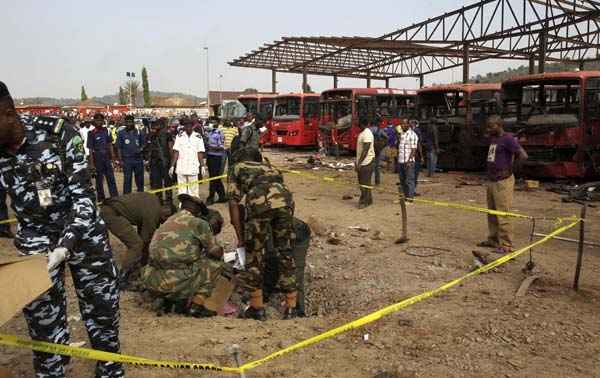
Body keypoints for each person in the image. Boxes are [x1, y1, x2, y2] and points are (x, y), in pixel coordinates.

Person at [0, 81, 123, 377]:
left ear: (6, 112)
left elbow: (83, 198)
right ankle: (52, 370)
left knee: (101, 309)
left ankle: (108, 369)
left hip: (83, 232)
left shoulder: (57, 133)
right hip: (35, 237)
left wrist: (65, 245)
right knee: (42, 320)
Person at [227, 146, 298, 320]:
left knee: (254, 255)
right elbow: (282, 192)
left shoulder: (237, 167)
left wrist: (241, 237)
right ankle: (291, 307)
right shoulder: (270, 167)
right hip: (286, 201)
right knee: (285, 252)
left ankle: (257, 308)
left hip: (259, 202)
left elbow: (233, 203)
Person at [140, 194, 230, 318]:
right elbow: (215, 252)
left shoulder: (169, 220)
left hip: (151, 279)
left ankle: (169, 300)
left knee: (183, 261)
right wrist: (219, 246)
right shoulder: (198, 223)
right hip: (174, 281)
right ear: (198, 211)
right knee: (214, 264)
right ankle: (196, 306)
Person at [479, 115, 527, 254]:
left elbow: (523, 155)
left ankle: (507, 244)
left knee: (503, 213)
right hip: (492, 180)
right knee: (492, 212)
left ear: (499, 125)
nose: (488, 129)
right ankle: (493, 239)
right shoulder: (494, 139)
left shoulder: (508, 139)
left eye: (490, 126)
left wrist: (510, 170)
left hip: (502, 181)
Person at [100, 192, 171, 285]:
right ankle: (123, 277)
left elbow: (142, 230)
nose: (162, 223)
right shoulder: (154, 213)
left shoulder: (154, 200)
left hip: (110, 208)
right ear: (165, 215)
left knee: (138, 243)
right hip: (112, 214)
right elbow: (146, 240)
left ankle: (135, 267)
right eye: (165, 220)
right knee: (136, 245)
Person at [263, 217, 311, 317]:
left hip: (299, 235)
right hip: (286, 234)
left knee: (296, 272)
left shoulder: (264, 226)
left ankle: (298, 312)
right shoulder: (259, 225)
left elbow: (273, 260)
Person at [170, 118, 205, 197]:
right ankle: (183, 205)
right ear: (184, 127)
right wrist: (172, 165)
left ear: (193, 126)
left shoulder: (198, 137)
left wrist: (202, 165)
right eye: (186, 126)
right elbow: (176, 152)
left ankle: (194, 206)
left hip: (193, 167)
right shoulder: (179, 136)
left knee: (194, 191)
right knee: (182, 190)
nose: (188, 128)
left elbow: (200, 152)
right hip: (181, 167)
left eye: (189, 126)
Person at [88, 113, 119, 201]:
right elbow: (90, 150)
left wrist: (113, 158)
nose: (99, 122)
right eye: (97, 120)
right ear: (94, 121)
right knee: (99, 181)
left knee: (111, 178)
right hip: (97, 159)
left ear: (103, 121)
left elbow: (110, 145)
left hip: (107, 158)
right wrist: (92, 164)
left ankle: (115, 198)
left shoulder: (106, 131)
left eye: (101, 120)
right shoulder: (91, 133)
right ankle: (101, 200)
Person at [145, 119, 174, 207]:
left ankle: (169, 201)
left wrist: (172, 164)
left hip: (165, 163)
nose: (154, 127)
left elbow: (171, 149)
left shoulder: (168, 135)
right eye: (153, 126)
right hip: (154, 163)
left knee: (167, 183)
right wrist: (147, 161)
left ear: (161, 126)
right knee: (157, 183)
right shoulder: (151, 136)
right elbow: (148, 149)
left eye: (156, 125)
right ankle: (159, 201)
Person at [117, 115, 145, 194]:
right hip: (127, 160)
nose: (129, 124)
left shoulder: (139, 132)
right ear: (125, 123)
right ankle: (126, 196)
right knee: (127, 179)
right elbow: (119, 147)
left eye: (130, 122)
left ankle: (141, 194)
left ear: (133, 122)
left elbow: (143, 144)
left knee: (139, 179)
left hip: (138, 159)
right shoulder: (121, 133)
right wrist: (120, 160)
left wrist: (140, 149)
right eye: (127, 122)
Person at [355, 119, 375, 209]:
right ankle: (368, 199)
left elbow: (365, 150)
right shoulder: (362, 133)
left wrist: (359, 163)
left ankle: (365, 201)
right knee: (363, 182)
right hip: (362, 161)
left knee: (364, 183)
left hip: (366, 161)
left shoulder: (367, 133)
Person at [206, 123, 227, 204]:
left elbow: (222, 147)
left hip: (217, 157)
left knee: (214, 178)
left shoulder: (219, 133)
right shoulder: (209, 132)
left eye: (213, 122)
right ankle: (222, 196)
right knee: (214, 177)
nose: (211, 123)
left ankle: (211, 197)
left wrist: (211, 147)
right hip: (210, 156)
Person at [397, 120, 419, 199]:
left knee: (409, 181)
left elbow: (413, 150)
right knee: (402, 181)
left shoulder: (413, 135)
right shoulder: (402, 134)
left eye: (404, 124)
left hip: (408, 162)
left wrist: (409, 161)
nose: (402, 125)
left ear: (408, 124)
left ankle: (410, 198)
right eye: (401, 124)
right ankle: (404, 197)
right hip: (401, 161)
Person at [368, 117, 389, 186]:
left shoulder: (369, 130)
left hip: (369, 150)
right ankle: (377, 182)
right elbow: (386, 137)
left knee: (369, 165)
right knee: (377, 167)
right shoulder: (380, 130)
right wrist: (382, 145)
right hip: (377, 150)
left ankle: (368, 181)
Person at [411, 120, 424, 195]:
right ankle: (412, 191)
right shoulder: (417, 132)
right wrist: (421, 156)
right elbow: (419, 144)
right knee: (415, 174)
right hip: (415, 156)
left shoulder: (406, 132)